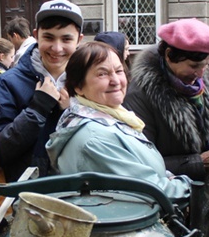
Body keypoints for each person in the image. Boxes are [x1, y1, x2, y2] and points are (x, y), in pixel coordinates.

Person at [46, 42, 190, 206]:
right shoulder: (94, 139)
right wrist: (188, 186)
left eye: (119, 71)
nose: (115, 80)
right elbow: (150, 191)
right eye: (102, 74)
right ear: (78, 86)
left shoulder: (110, 116)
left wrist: (168, 177)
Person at [124, 18, 209, 183]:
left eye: (206, 65)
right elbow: (141, 163)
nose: (200, 74)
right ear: (169, 55)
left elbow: (205, 130)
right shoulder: (139, 95)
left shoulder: (201, 80)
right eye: (193, 66)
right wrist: (199, 163)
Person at [0, 0, 84, 181]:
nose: (57, 48)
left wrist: (73, 111)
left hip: (77, 194)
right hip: (27, 196)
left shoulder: (88, 81)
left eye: (66, 39)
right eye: (48, 37)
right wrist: (37, 109)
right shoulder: (8, 83)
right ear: (36, 35)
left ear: (79, 39)